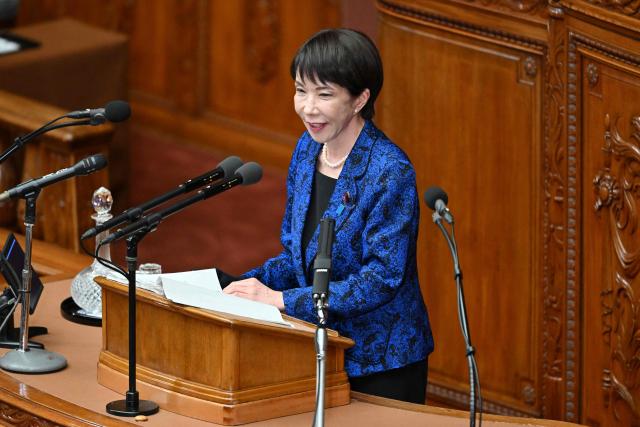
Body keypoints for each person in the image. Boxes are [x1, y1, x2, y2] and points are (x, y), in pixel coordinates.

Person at [222, 28, 434, 404]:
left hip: (379, 361)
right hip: (315, 347)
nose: (308, 107)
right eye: (301, 90)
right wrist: (239, 286)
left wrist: (281, 300)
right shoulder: (307, 150)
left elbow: (380, 279)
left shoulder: (390, 170)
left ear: (359, 99)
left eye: (324, 94)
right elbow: (295, 255)